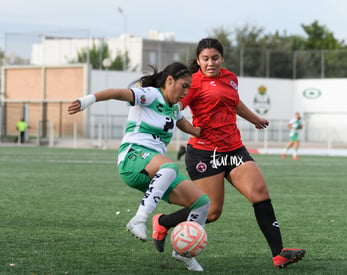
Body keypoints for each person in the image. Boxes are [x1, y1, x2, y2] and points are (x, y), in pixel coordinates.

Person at [150, 38, 305, 269]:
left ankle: (279, 253)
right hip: (205, 154)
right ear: (199, 60)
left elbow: (235, 103)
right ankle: (162, 222)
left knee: (260, 192)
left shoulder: (230, 77)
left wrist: (255, 119)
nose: (211, 62)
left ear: (221, 58)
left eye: (215, 58)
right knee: (211, 212)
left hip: (234, 149)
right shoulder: (192, 84)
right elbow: (175, 106)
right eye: (205, 58)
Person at [68, 62, 210, 272]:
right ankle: (139, 219)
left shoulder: (173, 107)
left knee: (202, 203)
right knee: (170, 167)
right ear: (170, 81)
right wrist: (87, 100)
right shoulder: (151, 95)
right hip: (132, 157)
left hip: (155, 168)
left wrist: (201, 132)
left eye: (189, 87)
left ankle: (183, 252)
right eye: (184, 86)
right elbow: (118, 93)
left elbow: (183, 124)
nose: (186, 92)